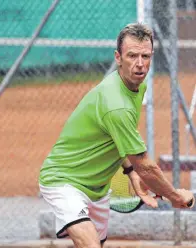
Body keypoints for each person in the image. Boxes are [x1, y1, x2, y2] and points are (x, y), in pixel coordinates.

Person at [39, 23, 194, 248]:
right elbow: (148, 168)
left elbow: (118, 140)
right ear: (118, 57)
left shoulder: (136, 87)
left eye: (145, 56)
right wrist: (175, 196)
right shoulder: (116, 103)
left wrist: (130, 171)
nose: (140, 64)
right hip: (63, 181)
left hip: (98, 189)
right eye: (132, 56)